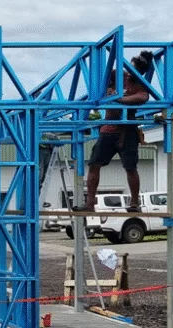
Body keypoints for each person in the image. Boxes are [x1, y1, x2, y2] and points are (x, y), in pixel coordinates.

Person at [72, 50, 155, 213]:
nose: (133, 72)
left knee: (131, 167)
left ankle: (134, 203)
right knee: (94, 164)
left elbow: (141, 98)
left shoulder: (141, 87)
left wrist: (118, 98)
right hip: (109, 128)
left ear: (143, 71)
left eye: (137, 70)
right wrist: (109, 89)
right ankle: (90, 203)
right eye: (132, 67)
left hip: (128, 130)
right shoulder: (118, 75)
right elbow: (101, 73)